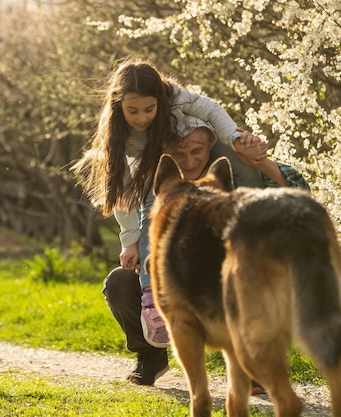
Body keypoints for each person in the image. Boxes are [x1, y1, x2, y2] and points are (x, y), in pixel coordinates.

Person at [72, 57, 269, 385]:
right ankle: (151, 354)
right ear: (118, 104)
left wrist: (234, 136)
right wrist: (129, 242)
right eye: (132, 110)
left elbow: (212, 111)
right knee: (120, 282)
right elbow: (119, 191)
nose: (140, 118)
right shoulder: (126, 144)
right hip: (163, 237)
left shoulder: (178, 102)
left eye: (148, 110)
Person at [102, 115, 310, 388]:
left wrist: (260, 163)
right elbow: (137, 223)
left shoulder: (237, 172)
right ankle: (151, 355)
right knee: (119, 282)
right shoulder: (159, 184)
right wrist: (136, 249)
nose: (189, 161)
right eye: (179, 153)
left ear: (210, 147)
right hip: (171, 276)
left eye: (196, 151)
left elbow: (300, 195)